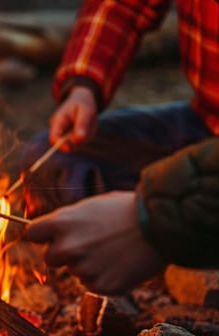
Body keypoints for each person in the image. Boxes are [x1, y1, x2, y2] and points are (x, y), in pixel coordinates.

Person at [18, 0, 219, 294]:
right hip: (207, 122)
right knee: (56, 164)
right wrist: (84, 85)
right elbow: (122, 5)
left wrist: (145, 221)